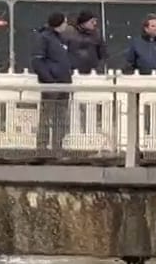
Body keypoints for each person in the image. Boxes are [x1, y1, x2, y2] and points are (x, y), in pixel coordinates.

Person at [30, 11, 73, 155]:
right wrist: (49, 80)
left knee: (60, 117)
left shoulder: (61, 39)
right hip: (52, 85)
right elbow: (37, 61)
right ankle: (42, 147)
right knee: (47, 116)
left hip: (63, 84)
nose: (67, 25)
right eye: (65, 22)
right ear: (58, 24)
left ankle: (57, 147)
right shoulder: (44, 38)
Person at [67, 9, 107, 75]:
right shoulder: (69, 33)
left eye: (95, 21)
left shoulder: (97, 34)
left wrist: (100, 67)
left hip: (93, 72)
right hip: (74, 72)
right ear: (83, 22)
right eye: (92, 22)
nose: (95, 24)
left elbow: (103, 53)